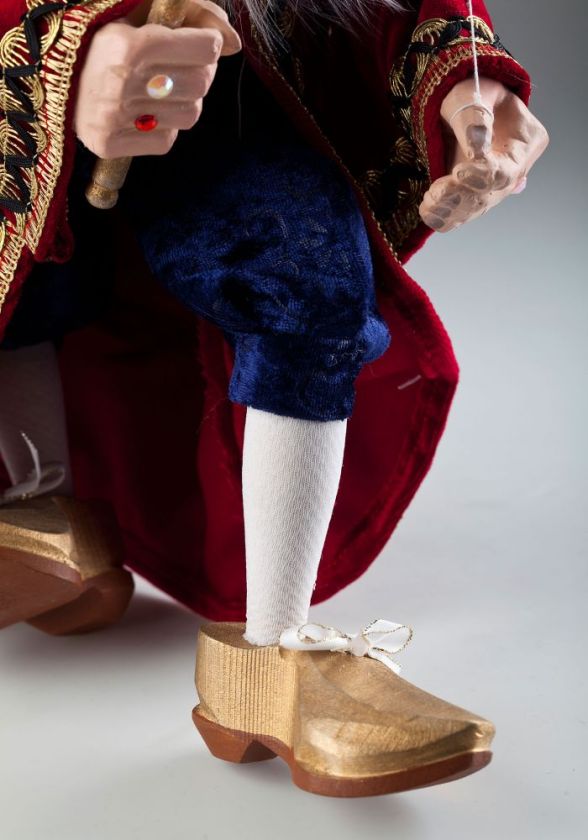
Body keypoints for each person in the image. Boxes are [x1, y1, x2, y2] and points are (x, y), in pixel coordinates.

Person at [0, 0, 548, 795]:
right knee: (31, 235)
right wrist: (63, 52)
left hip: (229, 73)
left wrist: (463, 80)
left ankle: (273, 654)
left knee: (304, 276)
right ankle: (33, 504)